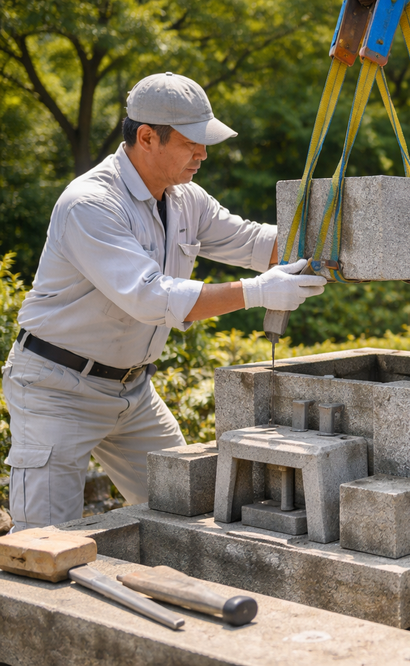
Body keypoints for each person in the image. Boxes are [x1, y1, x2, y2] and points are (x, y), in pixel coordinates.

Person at [2, 72, 327, 533]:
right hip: (58, 390)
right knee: (45, 546)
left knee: (186, 507)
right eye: (193, 142)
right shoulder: (91, 204)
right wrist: (256, 293)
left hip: (133, 391)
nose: (204, 154)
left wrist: (332, 243)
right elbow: (151, 296)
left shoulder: (184, 198)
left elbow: (255, 243)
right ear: (148, 137)